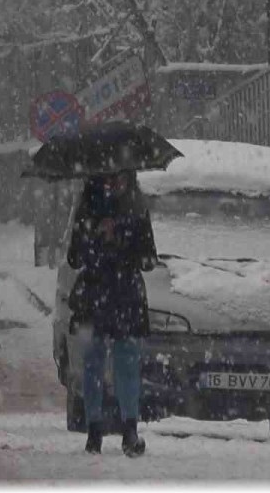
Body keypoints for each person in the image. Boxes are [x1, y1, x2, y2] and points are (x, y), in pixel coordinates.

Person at [67, 169, 158, 457]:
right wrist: (96, 234)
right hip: (95, 293)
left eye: (120, 177)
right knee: (93, 359)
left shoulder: (136, 209)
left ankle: (129, 429)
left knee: (127, 360)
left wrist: (122, 238)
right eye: (108, 177)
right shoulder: (87, 208)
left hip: (126, 294)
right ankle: (94, 429)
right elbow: (74, 257)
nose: (114, 183)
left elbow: (148, 260)